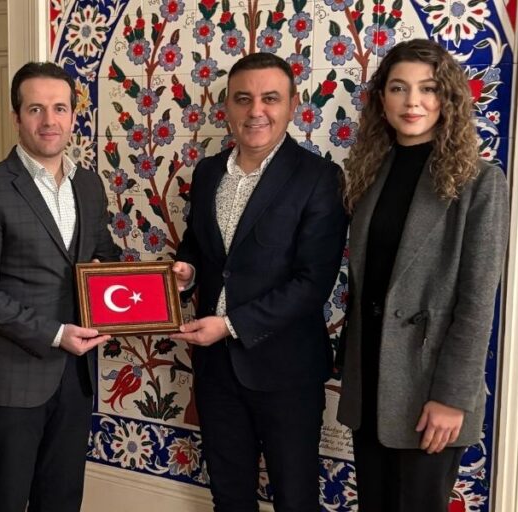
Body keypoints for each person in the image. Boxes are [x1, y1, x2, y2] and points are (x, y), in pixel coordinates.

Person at [335, 39, 510, 511]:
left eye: (428, 88)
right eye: (399, 88)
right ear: (382, 99)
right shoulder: (369, 173)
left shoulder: (480, 182)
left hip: (430, 384)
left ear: (446, 97)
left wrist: (451, 396)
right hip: (370, 379)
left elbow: (477, 302)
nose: (412, 101)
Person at [170, 53, 348, 512]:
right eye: (243, 99)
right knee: (229, 496)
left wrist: (229, 325)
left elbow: (313, 283)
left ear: (292, 105)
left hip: (287, 371)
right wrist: (187, 272)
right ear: (227, 106)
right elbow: (198, 247)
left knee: (295, 498)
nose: (256, 111)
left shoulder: (320, 179)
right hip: (215, 370)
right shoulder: (207, 172)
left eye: (270, 98)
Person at [0, 62, 121, 512]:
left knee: (62, 500)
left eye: (60, 108)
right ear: (16, 117)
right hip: (11, 381)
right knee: (4, 502)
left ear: (73, 116)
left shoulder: (89, 184)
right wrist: (55, 333)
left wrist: (157, 281)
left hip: (77, 377)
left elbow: (103, 257)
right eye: (35, 109)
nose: (50, 120)